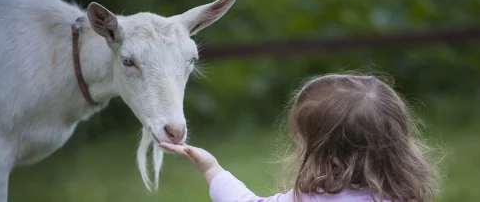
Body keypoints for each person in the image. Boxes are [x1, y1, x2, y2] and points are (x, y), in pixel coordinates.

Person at [160, 74, 438, 202]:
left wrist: (211, 169)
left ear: (333, 162)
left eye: (303, 142)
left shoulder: (310, 199)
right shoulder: (405, 197)